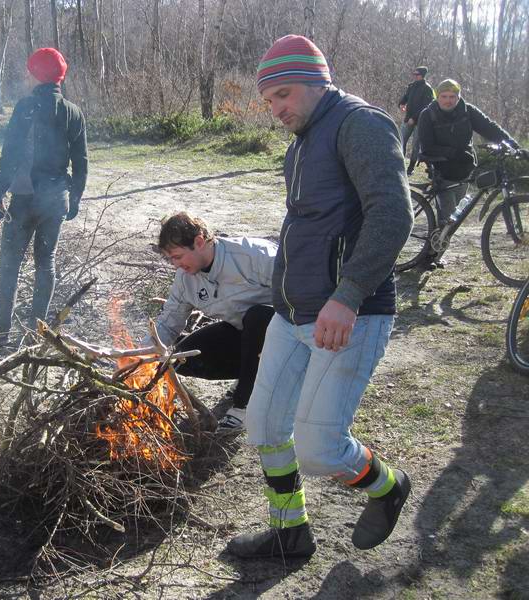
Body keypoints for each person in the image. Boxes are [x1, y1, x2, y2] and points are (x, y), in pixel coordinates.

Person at [227, 35, 414, 561]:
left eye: (284, 94)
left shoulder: (361, 125)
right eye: (268, 101)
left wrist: (349, 294)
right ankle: (291, 532)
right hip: (293, 314)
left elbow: (393, 215)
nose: (276, 108)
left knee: (319, 450)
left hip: (348, 314)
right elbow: (305, 225)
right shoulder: (304, 140)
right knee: (263, 427)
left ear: (318, 81)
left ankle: (388, 486)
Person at [0, 48, 88, 344]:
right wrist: (76, 198)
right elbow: (81, 162)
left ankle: (1, 332)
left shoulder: (25, 107)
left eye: (31, 70)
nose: (27, 75)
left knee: (9, 262)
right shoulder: (73, 111)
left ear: (38, 74)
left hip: (26, 197)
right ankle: (35, 333)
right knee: (47, 261)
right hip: (56, 199)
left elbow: (10, 154)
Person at [152, 212, 277, 431]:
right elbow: (167, 323)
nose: (175, 265)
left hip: (287, 337)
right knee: (181, 358)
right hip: (244, 336)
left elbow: (301, 296)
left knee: (258, 318)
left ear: (199, 242)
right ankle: (253, 375)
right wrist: (142, 356)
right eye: (170, 259)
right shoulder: (185, 280)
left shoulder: (254, 256)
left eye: (178, 257)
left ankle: (245, 405)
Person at [417, 78, 521, 267]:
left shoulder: (467, 111)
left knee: (456, 215)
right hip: (441, 169)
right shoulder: (428, 114)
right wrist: (451, 153)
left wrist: (513, 145)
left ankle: (436, 250)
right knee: (448, 217)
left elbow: (489, 127)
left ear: (458, 97)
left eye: (453, 96)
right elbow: (427, 146)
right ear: (437, 97)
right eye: (444, 96)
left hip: (464, 169)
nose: (448, 100)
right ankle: (429, 257)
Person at [398, 66, 434, 176]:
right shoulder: (411, 86)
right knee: (400, 140)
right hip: (407, 119)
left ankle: (411, 168)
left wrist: (414, 118)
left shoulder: (427, 89)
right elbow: (405, 97)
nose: (414, 76)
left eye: (416, 74)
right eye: (414, 74)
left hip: (420, 122)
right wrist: (401, 104)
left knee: (415, 145)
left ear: (422, 76)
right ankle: (399, 164)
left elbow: (426, 106)